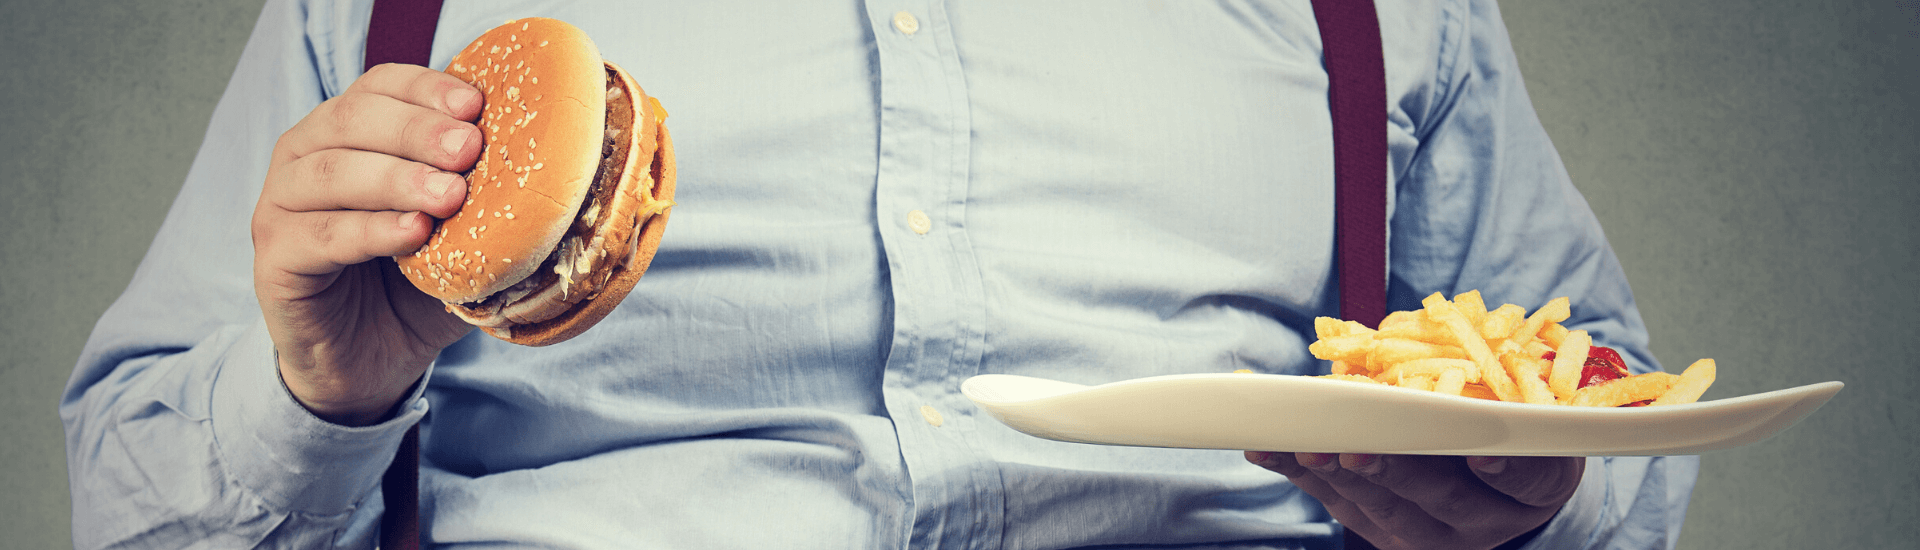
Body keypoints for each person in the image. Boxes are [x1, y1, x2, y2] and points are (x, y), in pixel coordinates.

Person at [61, 0, 1697, 548]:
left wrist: (1543, 493)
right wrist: (318, 391)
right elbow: (128, 503)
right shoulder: (406, 28)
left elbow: (1600, 402)